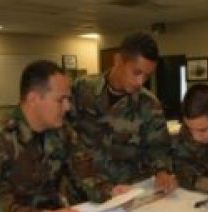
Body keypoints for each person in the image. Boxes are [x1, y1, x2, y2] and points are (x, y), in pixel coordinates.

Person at [0, 60, 92, 212]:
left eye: (69, 99)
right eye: (61, 100)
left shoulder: (62, 132)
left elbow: (83, 176)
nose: (68, 107)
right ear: (33, 99)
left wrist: (111, 192)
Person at [69, 32, 177, 200]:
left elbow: (159, 147)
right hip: (84, 192)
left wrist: (162, 172)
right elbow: (65, 134)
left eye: (147, 76)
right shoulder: (82, 89)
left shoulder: (149, 104)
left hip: (127, 192)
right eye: (136, 72)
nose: (141, 82)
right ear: (118, 60)